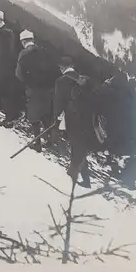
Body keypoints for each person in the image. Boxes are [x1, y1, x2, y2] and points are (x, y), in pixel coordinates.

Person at [15, 30, 59, 152]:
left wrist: (27, 83)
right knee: (45, 114)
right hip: (49, 89)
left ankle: (37, 144)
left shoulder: (24, 54)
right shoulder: (44, 52)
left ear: (23, 41)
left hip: (34, 90)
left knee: (34, 116)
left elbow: (19, 74)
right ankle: (50, 140)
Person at [52, 56, 93, 188]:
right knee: (79, 146)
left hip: (72, 119)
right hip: (86, 118)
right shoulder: (82, 79)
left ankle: (73, 173)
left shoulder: (61, 81)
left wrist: (57, 120)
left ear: (62, 67)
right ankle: (84, 179)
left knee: (76, 146)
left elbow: (58, 103)